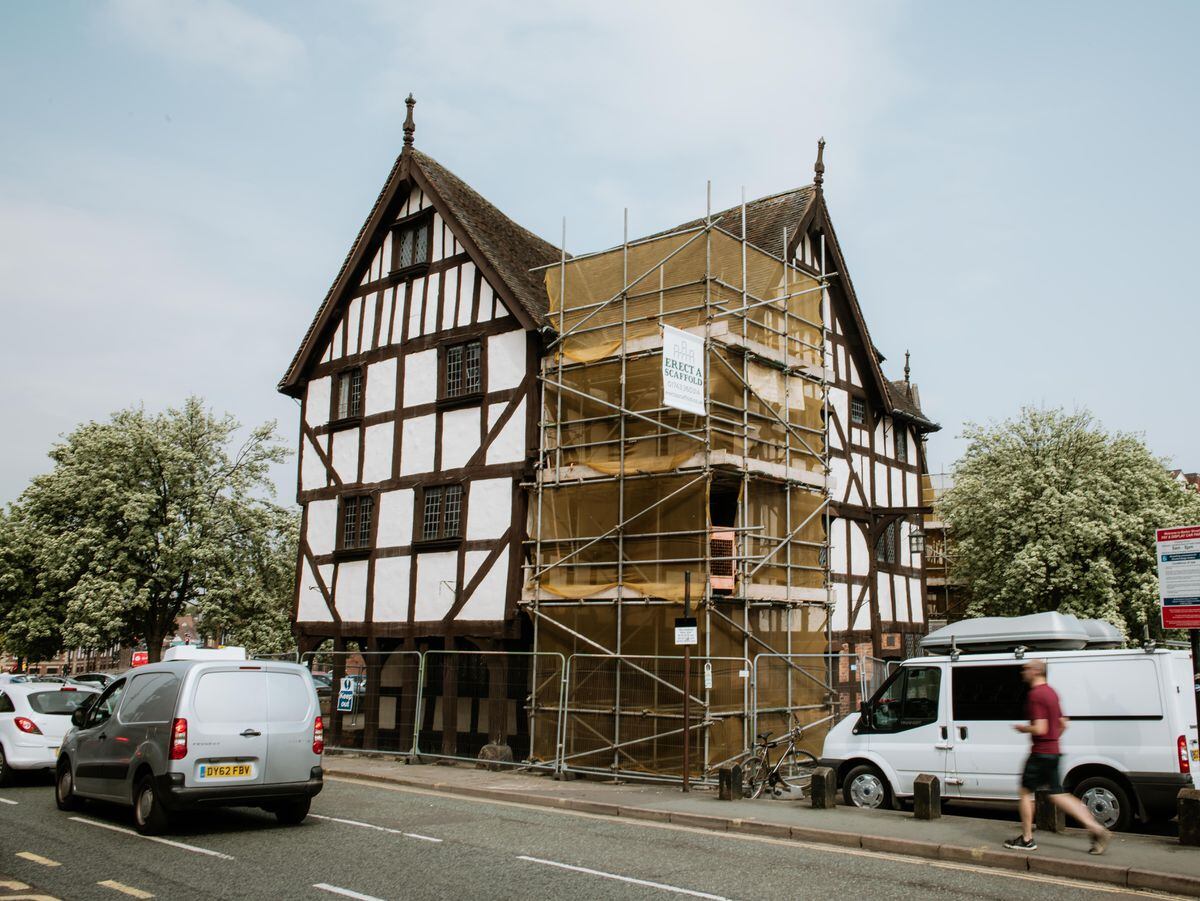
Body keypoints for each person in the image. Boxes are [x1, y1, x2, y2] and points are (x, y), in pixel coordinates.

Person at [1003, 658, 1110, 854]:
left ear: (1036, 671)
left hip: (1040, 754)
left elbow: (1040, 727)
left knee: (1025, 793)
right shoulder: (1052, 693)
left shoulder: (1036, 695)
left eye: (1026, 669)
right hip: (1054, 752)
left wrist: (1023, 728)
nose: (1022, 672)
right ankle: (1096, 828)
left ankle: (1027, 839)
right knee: (1058, 794)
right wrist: (1053, 740)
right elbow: (1063, 723)